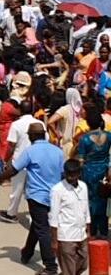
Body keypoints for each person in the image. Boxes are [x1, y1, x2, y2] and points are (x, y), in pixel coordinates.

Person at [0, 123, 64, 275]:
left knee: (43, 231)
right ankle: (27, 253)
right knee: (38, 224)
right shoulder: (57, 151)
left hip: (37, 197)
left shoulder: (30, 152)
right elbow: (63, 174)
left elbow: (13, 171)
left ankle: (50, 267)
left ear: (32, 136)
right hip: (55, 196)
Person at [0, 99, 45, 224]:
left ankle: (11, 214)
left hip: (19, 161)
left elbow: (11, 145)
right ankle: (33, 219)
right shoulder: (40, 123)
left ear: (20, 110)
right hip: (37, 161)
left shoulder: (16, 124)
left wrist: (6, 159)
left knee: (16, 190)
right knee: (34, 191)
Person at [49, 159, 90, 275]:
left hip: (81, 234)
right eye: (69, 175)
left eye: (74, 175)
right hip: (66, 236)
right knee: (69, 268)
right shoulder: (57, 190)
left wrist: (88, 230)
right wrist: (54, 241)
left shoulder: (83, 187)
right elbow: (53, 217)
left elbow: (86, 209)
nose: (71, 178)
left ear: (79, 174)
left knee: (83, 263)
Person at [75, 107, 111, 238]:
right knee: (103, 199)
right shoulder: (108, 136)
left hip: (89, 172)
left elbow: (81, 160)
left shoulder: (85, 139)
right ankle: (103, 230)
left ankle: (92, 230)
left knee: (89, 200)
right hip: (104, 171)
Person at [47, 88, 83, 159]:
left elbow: (50, 121)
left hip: (66, 145)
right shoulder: (81, 109)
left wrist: (57, 133)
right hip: (78, 145)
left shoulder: (65, 109)